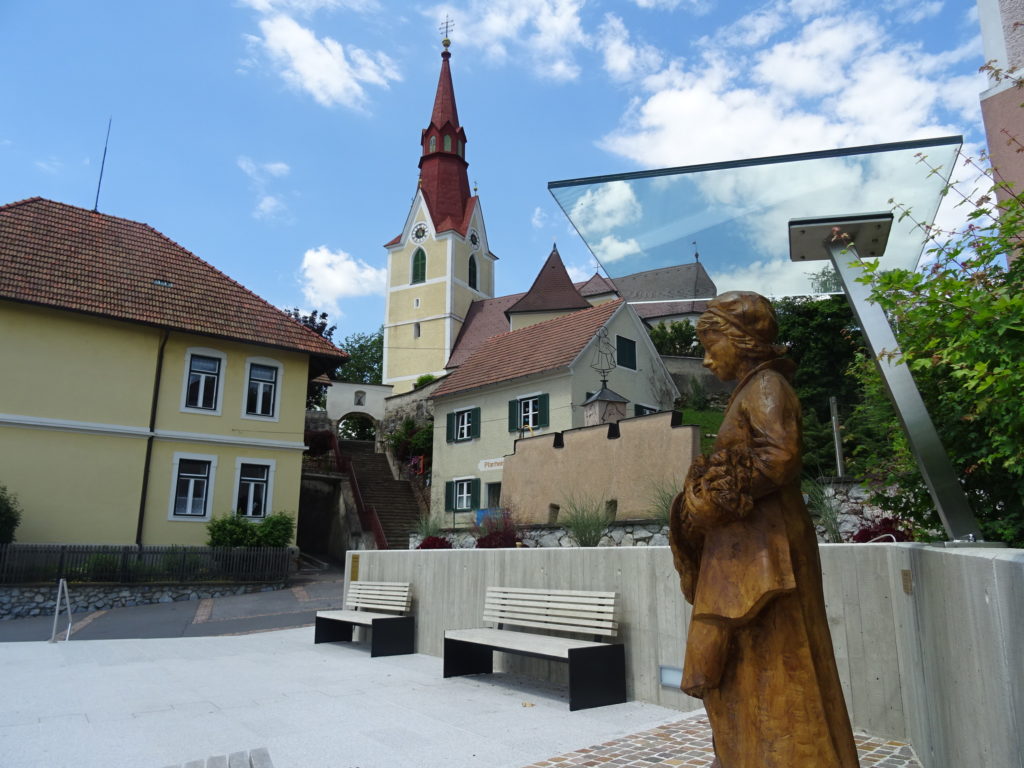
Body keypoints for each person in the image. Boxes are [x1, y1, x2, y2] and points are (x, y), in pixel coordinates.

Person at [669, 291, 860, 768]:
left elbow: (779, 457)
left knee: (774, 657)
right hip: (753, 550)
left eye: (712, 344)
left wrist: (712, 500)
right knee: (750, 663)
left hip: (766, 553)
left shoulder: (766, 386)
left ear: (743, 341)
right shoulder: (753, 389)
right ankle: (750, 752)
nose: (707, 358)